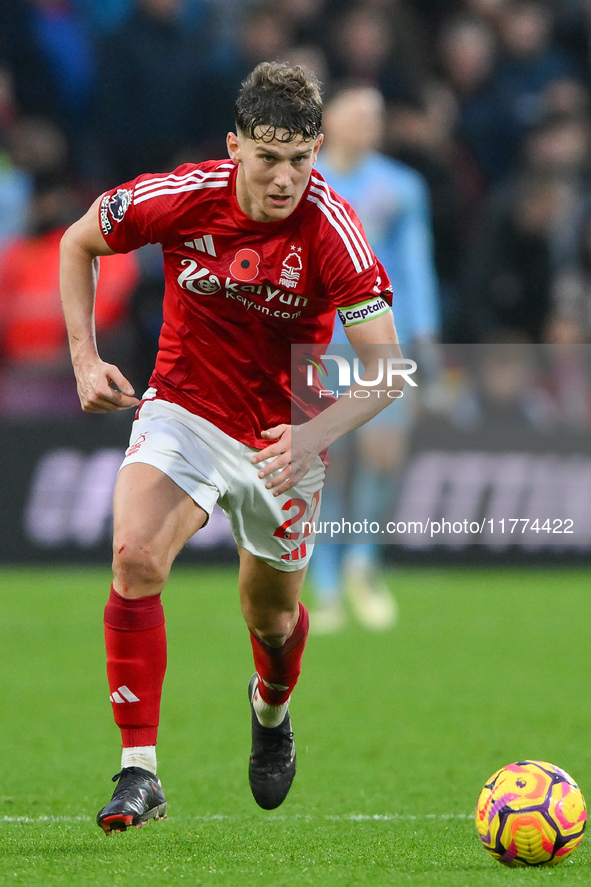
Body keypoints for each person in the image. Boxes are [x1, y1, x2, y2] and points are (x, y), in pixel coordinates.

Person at [59, 61, 403, 834]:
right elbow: (78, 242)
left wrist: (310, 435)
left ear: (316, 150)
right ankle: (138, 770)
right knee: (136, 555)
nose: (284, 179)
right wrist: (84, 357)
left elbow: (388, 370)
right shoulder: (179, 196)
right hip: (185, 404)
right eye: (267, 158)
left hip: (288, 428)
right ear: (234, 146)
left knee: (272, 617)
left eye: (300, 160)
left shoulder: (332, 229)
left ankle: (271, 708)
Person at [309, 83, 439, 632]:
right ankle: (326, 585)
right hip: (318, 340)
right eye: (358, 113)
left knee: (383, 455)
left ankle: (363, 560)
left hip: (386, 337)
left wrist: (425, 337)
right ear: (330, 120)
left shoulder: (401, 186)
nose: (370, 123)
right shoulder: (307, 183)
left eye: (377, 115)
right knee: (325, 467)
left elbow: (415, 265)